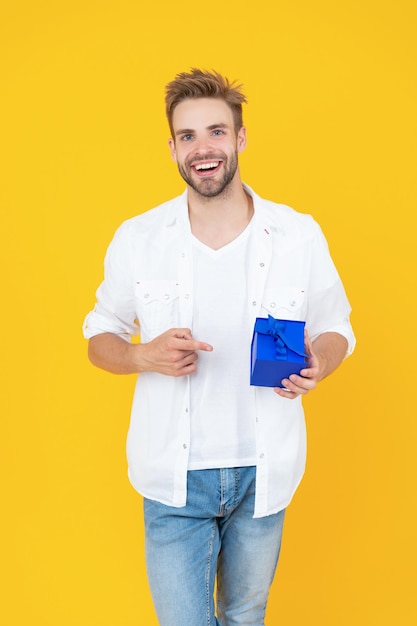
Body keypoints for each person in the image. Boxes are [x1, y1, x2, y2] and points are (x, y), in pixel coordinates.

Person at [83, 68, 355, 625]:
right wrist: (140, 354)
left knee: (245, 616)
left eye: (215, 132)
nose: (202, 148)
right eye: (187, 136)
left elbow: (336, 327)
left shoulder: (297, 234)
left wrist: (320, 363)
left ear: (240, 138)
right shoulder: (139, 238)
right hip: (173, 478)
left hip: (265, 471)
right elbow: (98, 335)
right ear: (172, 147)